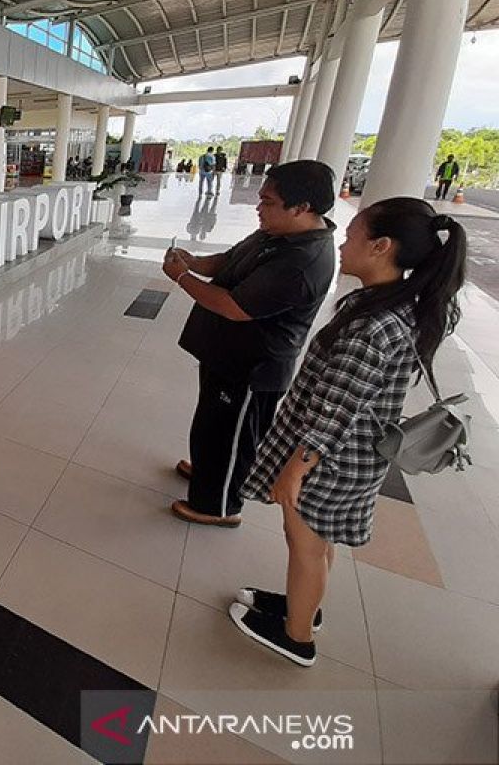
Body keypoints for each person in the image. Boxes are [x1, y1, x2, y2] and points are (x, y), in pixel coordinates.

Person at [229, 199, 467, 667]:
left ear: (380, 247)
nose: (343, 242)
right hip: (354, 456)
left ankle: (297, 637)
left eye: (353, 235)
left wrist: (295, 471)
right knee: (317, 541)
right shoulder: (396, 305)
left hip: (330, 459)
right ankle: (306, 606)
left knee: (305, 542)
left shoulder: (372, 325)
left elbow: (336, 411)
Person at [163, 160, 338, 527]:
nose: (259, 207)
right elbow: (228, 261)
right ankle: (209, 473)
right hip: (226, 354)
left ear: (301, 207)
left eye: (268, 201)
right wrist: (193, 262)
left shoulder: (302, 260)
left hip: (252, 366)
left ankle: (220, 506)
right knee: (213, 424)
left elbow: (234, 306)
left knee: (233, 436)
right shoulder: (278, 234)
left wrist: (181, 277)